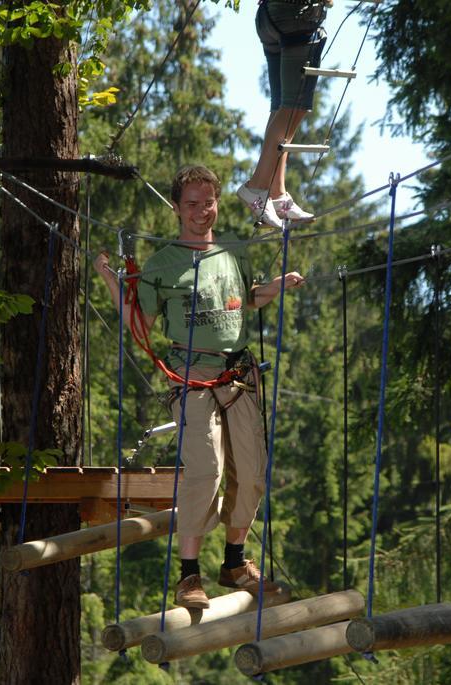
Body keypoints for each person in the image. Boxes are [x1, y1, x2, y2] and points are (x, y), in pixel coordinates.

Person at [95, 165, 306, 609]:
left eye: (208, 202)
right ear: (176, 209)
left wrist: (277, 287)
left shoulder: (232, 249)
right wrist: (112, 282)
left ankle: (234, 561)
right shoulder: (163, 263)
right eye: (191, 204)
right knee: (206, 470)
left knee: (250, 473)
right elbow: (140, 325)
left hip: (239, 376)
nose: (202, 211)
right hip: (190, 379)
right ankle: (189, 575)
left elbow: (246, 297)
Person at [236, 0, 330, 229]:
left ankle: (277, 193)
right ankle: (257, 186)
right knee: (293, 107)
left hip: (270, 16)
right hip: (296, 16)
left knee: (280, 107)